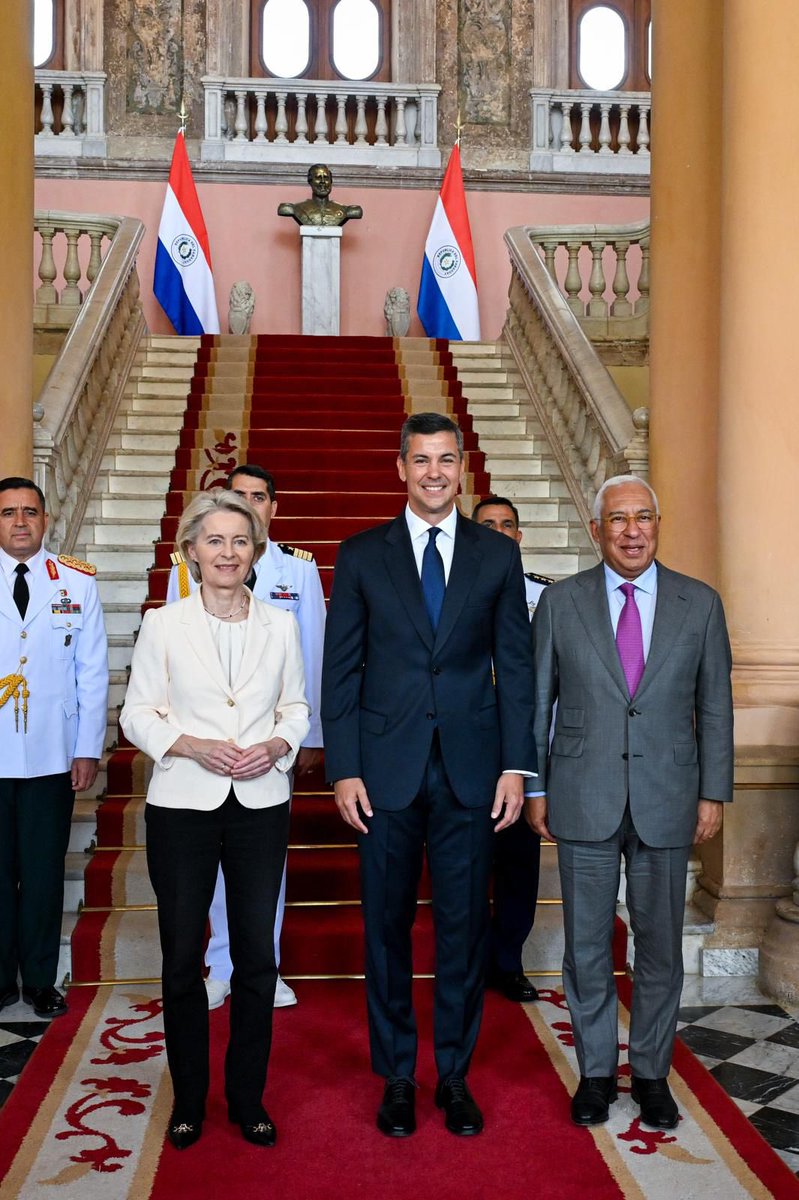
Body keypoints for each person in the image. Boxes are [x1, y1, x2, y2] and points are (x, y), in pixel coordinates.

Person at [321, 413, 537, 1139]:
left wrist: (516, 765)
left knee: (461, 931)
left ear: (460, 467)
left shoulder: (494, 556)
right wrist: (344, 769)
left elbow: (518, 668)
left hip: (473, 775)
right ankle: (396, 1078)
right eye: (421, 461)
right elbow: (340, 670)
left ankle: (453, 1077)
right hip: (383, 774)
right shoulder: (358, 555)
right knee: (383, 929)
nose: (434, 473)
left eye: (446, 460)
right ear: (400, 467)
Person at [527, 474, 733, 1131]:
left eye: (643, 516)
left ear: (657, 524)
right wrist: (534, 785)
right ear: (596, 531)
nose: (631, 529)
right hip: (582, 795)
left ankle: (648, 1074)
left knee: (659, 947)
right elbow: (538, 704)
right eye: (617, 519)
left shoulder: (698, 604)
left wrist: (712, 791)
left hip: (668, 798)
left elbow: (714, 708)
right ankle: (593, 1074)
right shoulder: (559, 605)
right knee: (585, 945)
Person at [120, 491, 309, 1150]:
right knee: (181, 958)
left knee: (258, 956)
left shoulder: (280, 625)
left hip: (260, 804)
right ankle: (190, 1097)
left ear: (255, 551)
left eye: (240, 541)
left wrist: (277, 745)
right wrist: (193, 744)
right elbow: (137, 714)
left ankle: (247, 1096)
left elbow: (296, 708)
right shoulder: (162, 623)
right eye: (215, 541)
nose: (227, 553)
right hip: (182, 805)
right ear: (190, 551)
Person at [166, 464, 325, 1010]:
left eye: (260, 497)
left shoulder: (298, 572)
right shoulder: (186, 569)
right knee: (208, 869)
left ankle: (264, 964)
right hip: (204, 754)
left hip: (267, 748)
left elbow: (314, 657)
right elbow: (174, 657)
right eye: (240, 496)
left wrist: (308, 735)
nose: (251, 505)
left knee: (263, 871)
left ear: (273, 508)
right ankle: (220, 964)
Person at [0, 476, 108, 1018]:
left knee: (42, 870)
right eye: (8, 512)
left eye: (29, 512)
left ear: (46, 520)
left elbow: (92, 671)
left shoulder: (77, 583)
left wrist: (87, 749)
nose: (20, 522)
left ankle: (40, 980)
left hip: (51, 752)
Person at [472, 495, 553, 1003]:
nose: (500, 533)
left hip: (524, 752)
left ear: (520, 536)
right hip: (467, 750)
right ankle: (472, 960)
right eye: (488, 526)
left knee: (520, 866)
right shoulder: (458, 588)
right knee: (468, 866)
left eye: (508, 525)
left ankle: (509, 960)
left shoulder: (549, 598)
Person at [277, 163, 363, 227]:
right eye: (318, 178)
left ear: (331, 181)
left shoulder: (346, 210)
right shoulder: (295, 209)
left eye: (326, 178)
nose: (323, 182)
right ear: (310, 181)